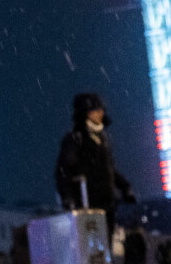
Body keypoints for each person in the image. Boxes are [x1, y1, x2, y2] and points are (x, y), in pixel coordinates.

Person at [55, 93, 136, 244]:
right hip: (87, 204)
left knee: (105, 248)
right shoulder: (75, 139)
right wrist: (68, 197)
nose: (100, 113)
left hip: (107, 204)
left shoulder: (103, 139)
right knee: (91, 249)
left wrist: (125, 187)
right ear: (85, 113)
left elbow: (109, 169)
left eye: (101, 110)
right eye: (95, 110)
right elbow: (63, 170)